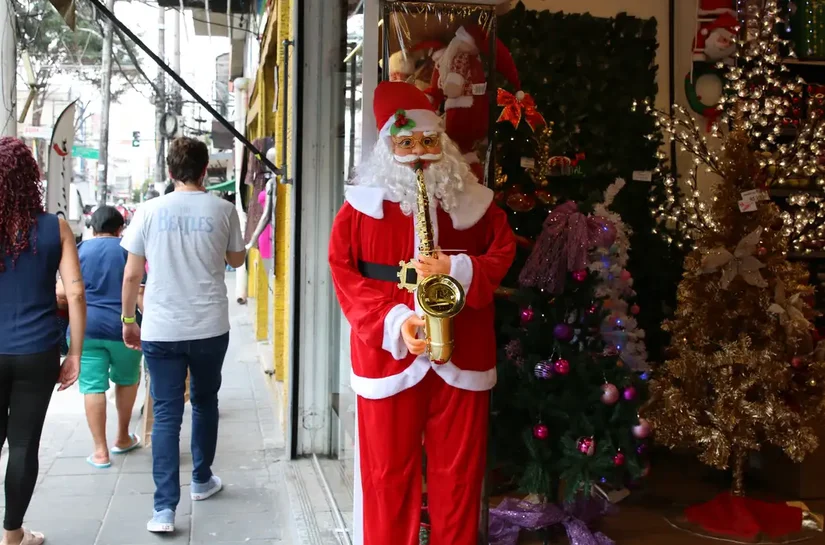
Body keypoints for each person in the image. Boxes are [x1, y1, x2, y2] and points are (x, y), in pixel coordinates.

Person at [328, 82, 516, 545]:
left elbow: (503, 251)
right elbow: (345, 274)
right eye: (406, 143)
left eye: (428, 143)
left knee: (460, 476)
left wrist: (458, 268)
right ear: (388, 146)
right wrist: (395, 321)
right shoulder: (357, 210)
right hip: (389, 357)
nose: (418, 155)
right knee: (386, 475)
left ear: (444, 144)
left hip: (462, 351)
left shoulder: (476, 202)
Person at [120, 137, 246, 533]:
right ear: (205, 169)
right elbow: (237, 259)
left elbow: (131, 273)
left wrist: (128, 319)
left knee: (167, 414)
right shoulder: (224, 209)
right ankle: (202, 479)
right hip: (209, 326)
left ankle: (163, 510)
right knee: (206, 402)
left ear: (171, 171)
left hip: (161, 327)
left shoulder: (148, 211)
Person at [0, 137, 86, 545]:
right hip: (37, 351)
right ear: (30, 178)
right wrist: (74, 352)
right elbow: (76, 294)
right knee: (22, 444)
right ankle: (12, 535)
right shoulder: (55, 227)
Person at [58, 206, 143, 469]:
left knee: (93, 386)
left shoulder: (80, 250)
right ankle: (122, 437)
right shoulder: (129, 249)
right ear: (121, 228)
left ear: (92, 227)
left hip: (86, 329)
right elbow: (139, 291)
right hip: (124, 328)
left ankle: (100, 451)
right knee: (127, 380)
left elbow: (62, 293)